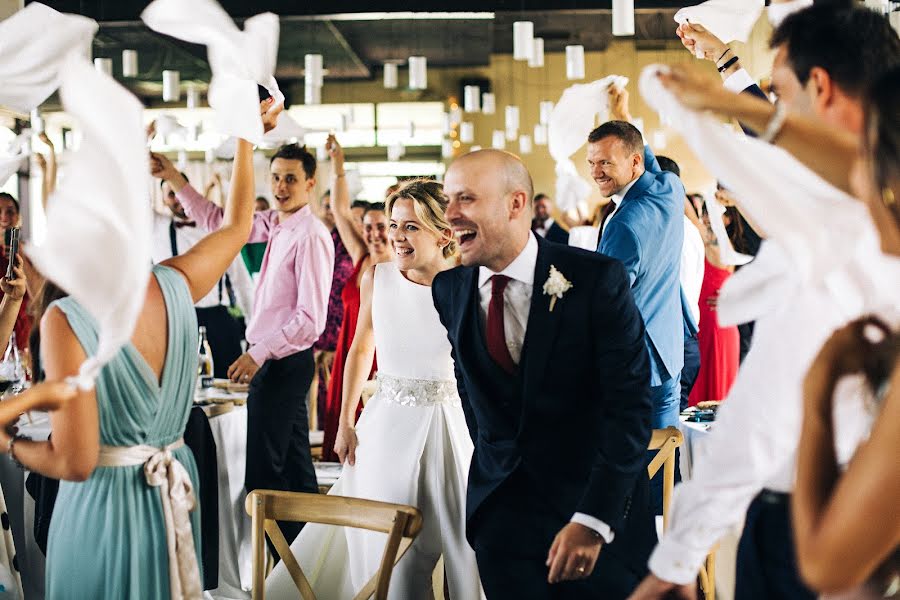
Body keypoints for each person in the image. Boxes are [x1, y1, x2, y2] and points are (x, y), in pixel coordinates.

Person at [629, 6, 900, 599]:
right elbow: (829, 159)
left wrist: (676, 559)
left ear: (821, 86)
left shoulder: (845, 229)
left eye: (781, 93)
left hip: (825, 520)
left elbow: (760, 419)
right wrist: (730, 89)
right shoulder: (855, 195)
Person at [0, 99, 279, 599]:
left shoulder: (68, 320)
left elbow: (74, 462)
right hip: (170, 498)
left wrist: (10, 445)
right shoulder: (175, 282)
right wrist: (244, 136)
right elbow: (237, 228)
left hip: (103, 510)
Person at [433, 149, 655, 599]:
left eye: (465, 200)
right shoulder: (449, 288)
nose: (450, 215)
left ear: (516, 204)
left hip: (595, 521)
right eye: (447, 200)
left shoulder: (596, 279)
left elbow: (629, 408)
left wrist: (594, 520)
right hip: (502, 526)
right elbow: (469, 384)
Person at [268, 180, 482, 599]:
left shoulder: (469, 284)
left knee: (466, 542)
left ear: (443, 234)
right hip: (387, 426)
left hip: (453, 425)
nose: (397, 236)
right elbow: (361, 347)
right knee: (389, 546)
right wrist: (346, 421)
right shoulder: (378, 278)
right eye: (394, 225)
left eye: (410, 227)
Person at [165, 140, 334, 548]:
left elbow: (310, 319)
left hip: (282, 363)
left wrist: (257, 354)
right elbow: (219, 222)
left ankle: (278, 573)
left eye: (290, 179)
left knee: (264, 479)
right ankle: (305, 571)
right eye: (275, 177)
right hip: (277, 362)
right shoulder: (274, 224)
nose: (280, 186)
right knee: (294, 474)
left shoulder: (310, 235)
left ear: (310, 183)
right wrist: (173, 177)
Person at [592, 86, 685, 513]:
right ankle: (667, 550)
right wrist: (622, 113)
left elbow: (604, 302)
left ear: (629, 164)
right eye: (592, 162)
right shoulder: (669, 188)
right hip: (668, 353)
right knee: (664, 468)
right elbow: (642, 152)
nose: (596, 172)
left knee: (632, 476)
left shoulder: (624, 224)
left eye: (605, 163)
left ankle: (640, 562)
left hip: (635, 368)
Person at [320, 136, 393, 462]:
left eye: (380, 226)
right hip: (351, 351)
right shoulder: (361, 257)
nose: (374, 233)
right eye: (368, 227)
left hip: (382, 357)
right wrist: (338, 165)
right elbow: (338, 209)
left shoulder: (401, 265)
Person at [148, 162, 255, 379]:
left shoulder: (215, 225)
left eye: (178, 191)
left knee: (231, 381)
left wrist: (254, 327)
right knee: (180, 381)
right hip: (177, 318)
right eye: (170, 195)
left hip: (218, 316)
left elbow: (241, 279)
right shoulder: (156, 228)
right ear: (163, 200)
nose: (176, 199)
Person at [655, 155, 704, 409]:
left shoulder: (673, 231)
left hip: (675, 341)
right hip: (685, 339)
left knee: (668, 429)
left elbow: (677, 289)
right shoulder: (689, 228)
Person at [687, 203, 741, 406]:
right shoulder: (723, 245)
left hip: (714, 325)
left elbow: (691, 218)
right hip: (715, 322)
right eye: (705, 214)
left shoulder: (716, 244)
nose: (705, 219)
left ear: (726, 220)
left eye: (711, 214)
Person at [309, 188, 355, 428]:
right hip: (315, 328)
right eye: (325, 206)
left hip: (339, 330)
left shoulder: (348, 245)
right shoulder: (314, 239)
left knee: (335, 397)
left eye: (332, 206)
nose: (329, 212)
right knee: (313, 399)